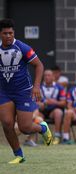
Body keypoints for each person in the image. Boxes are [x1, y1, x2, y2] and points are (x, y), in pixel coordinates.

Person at [0, 18, 52, 164]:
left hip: (23, 91)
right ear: (0, 34)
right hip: (4, 92)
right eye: (5, 33)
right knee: (7, 123)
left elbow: (39, 65)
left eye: (11, 33)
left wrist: (36, 86)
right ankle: (19, 155)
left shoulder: (22, 47)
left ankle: (42, 128)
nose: (8, 36)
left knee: (25, 127)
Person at [37, 69, 66, 144]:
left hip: (53, 111)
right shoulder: (39, 88)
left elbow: (64, 103)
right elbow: (34, 101)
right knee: (37, 115)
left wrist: (54, 102)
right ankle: (45, 137)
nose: (46, 77)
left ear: (53, 77)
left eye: (49, 75)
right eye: (45, 75)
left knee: (58, 112)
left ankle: (57, 136)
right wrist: (39, 104)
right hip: (42, 110)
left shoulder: (60, 87)